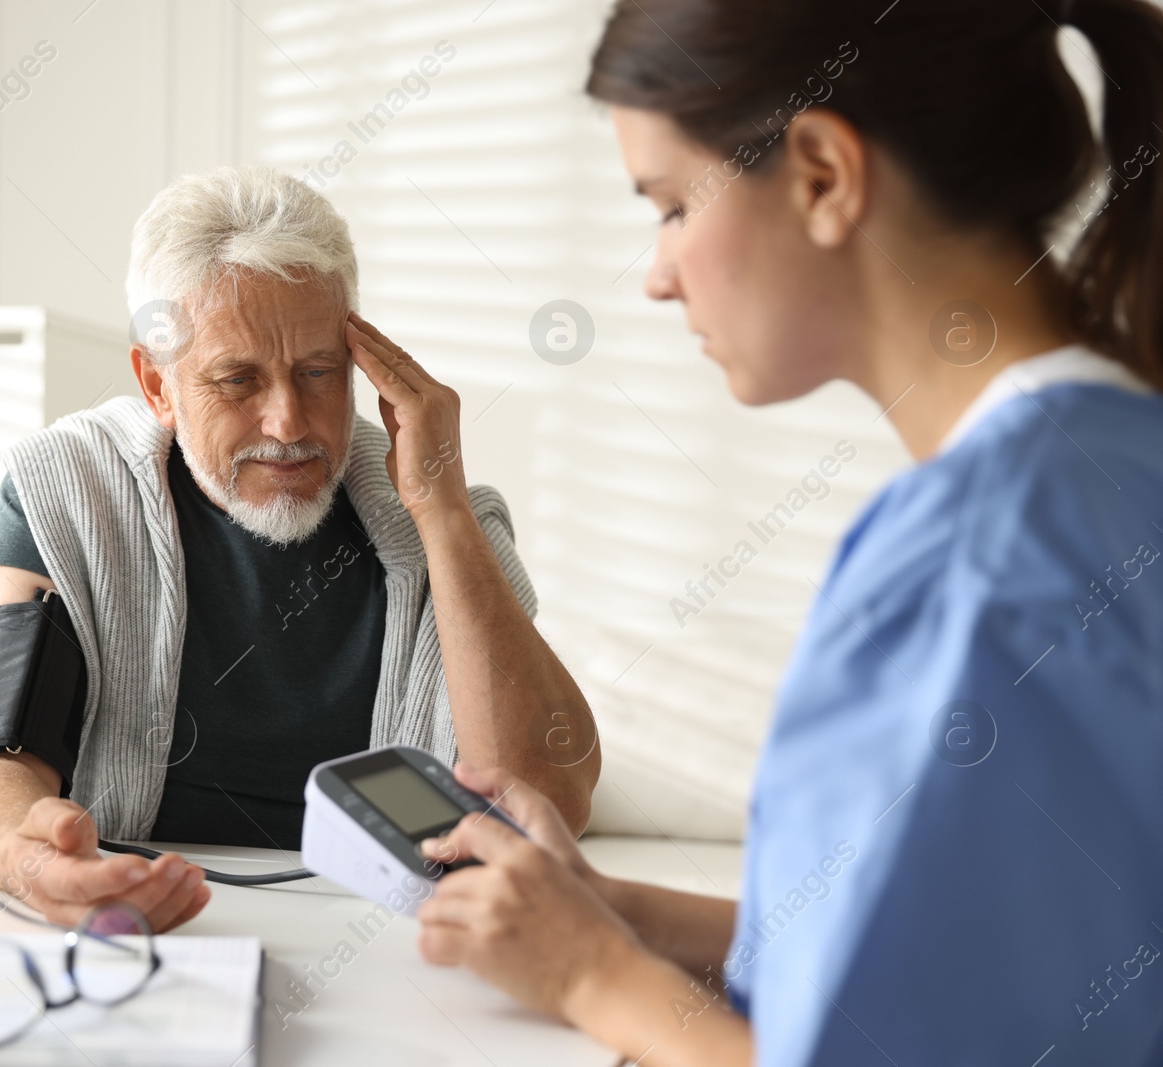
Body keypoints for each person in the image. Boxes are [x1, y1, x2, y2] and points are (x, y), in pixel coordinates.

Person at [408, 0, 1163, 1063]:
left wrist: (592, 976)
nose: (658, 274)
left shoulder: (965, 565)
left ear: (819, 173)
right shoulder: (1117, 463)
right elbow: (959, 969)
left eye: (670, 205)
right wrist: (608, 908)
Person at [0, 166, 599, 931]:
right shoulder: (65, 489)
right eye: (238, 379)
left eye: (318, 371)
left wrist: (442, 508)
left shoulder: (447, 521)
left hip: (379, 927)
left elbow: (546, 800)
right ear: (157, 384)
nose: (288, 423)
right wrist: (38, 867)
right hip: (149, 920)